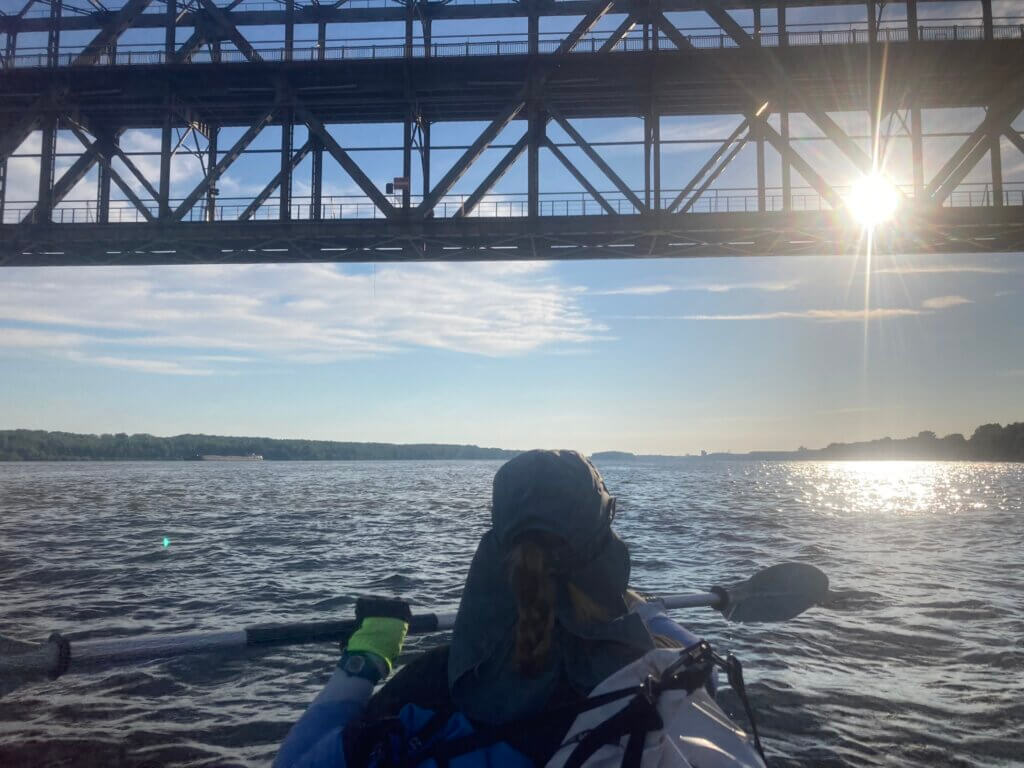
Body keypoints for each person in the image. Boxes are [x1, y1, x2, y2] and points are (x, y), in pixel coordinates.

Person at [274, 450, 729, 768]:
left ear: (496, 547)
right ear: (607, 551)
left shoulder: (428, 694)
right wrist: (642, 613)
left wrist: (365, 660)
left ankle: (368, 652)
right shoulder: (668, 683)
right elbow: (702, 670)